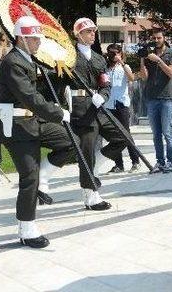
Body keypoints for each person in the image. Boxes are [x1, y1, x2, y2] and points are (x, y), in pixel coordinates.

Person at [0, 16, 76, 248]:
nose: (38, 43)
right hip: (17, 126)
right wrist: (58, 113)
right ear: (21, 38)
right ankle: (26, 229)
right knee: (28, 177)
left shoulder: (28, 60)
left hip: (33, 122)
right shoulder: (13, 63)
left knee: (70, 142)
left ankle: (44, 178)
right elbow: (29, 97)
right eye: (34, 38)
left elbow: (38, 92)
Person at [37, 17, 127, 211]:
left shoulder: (98, 58)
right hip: (80, 109)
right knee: (86, 152)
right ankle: (90, 196)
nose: (92, 34)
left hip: (98, 107)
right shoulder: (68, 57)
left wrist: (103, 95)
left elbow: (105, 83)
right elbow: (55, 81)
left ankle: (93, 170)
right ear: (78, 35)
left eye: (93, 31)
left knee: (122, 138)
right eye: (87, 31)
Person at [138, 28, 172, 173]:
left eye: (158, 38)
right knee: (156, 134)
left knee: (167, 132)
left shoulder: (171, 53)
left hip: (167, 98)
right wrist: (143, 59)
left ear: (164, 38)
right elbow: (144, 77)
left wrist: (159, 60)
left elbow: (171, 73)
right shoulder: (149, 55)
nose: (156, 41)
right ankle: (160, 163)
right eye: (154, 38)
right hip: (151, 98)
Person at [104, 43, 140, 173]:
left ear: (120, 53)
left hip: (122, 105)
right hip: (109, 105)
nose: (113, 55)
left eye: (116, 53)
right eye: (111, 53)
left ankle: (135, 161)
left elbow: (132, 78)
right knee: (114, 136)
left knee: (126, 134)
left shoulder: (125, 67)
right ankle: (118, 164)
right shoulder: (106, 69)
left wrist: (122, 63)